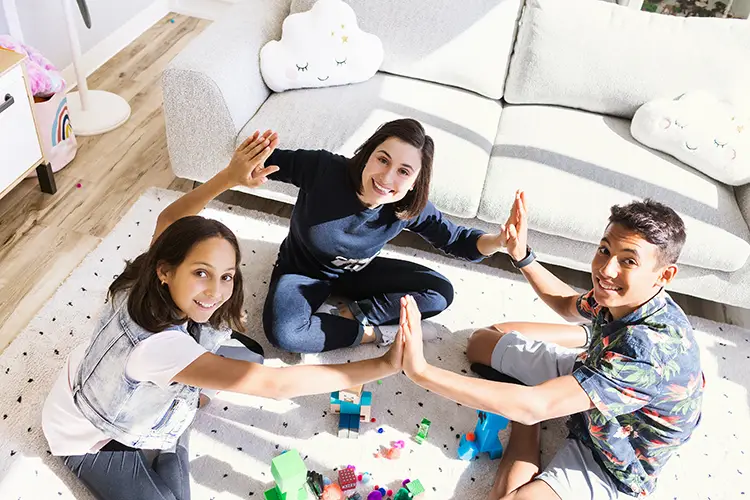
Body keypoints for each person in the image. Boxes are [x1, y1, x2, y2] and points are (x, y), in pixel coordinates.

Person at [41, 133, 405, 500]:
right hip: (88, 434)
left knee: (249, 356)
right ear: (167, 270)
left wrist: (230, 178)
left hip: (111, 373)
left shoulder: (146, 270)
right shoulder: (161, 349)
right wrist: (384, 364)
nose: (216, 292)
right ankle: (172, 424)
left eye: (226, 276)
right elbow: (276, 386)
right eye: (201, 273)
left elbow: (170, 216)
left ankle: (175, 409)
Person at [397, 192, 704, 500]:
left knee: (517, 455)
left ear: (664, 275)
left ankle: (529, 415)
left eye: (628, 260)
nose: (606, 270)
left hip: (614, 452)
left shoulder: (647, 352)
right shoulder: (623, 296)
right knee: (481, 343)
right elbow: (567, 304)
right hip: (590, 370)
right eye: (604, 249)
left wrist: (421, 372)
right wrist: (522, 256)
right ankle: (546, 386)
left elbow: (534, 406)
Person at [255, 118, 507, 353]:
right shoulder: (323, 170)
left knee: (440, 292)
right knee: (286, 334)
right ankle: (377, 334)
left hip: (358, 273)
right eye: (383, 160)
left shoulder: (407, 207)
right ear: (368, 154)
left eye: (404, 171)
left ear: (416, 182)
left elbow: (457, 240)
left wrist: (499, 241)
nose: (387, 178)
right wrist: (251, 167)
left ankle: (361, 312)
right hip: (301, 272)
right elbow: (262, 161)